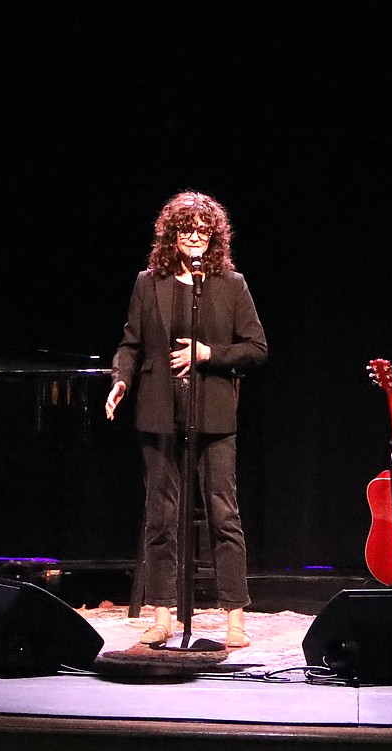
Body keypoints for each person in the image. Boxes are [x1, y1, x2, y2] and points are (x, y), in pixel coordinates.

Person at [106, 192, 267, 648]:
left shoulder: (231, 284)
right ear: (172, 235)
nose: (194, 236)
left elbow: (257, 348)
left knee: (223, 512)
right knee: (161, 515)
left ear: (213, 236)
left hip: (213, 411)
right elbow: (131, 343)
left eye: (202, 230)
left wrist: (209, 354)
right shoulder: (147, 282)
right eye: (185, 229)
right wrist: (121, 379)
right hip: (158, 409)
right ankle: (162, 614)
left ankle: (234, 615)